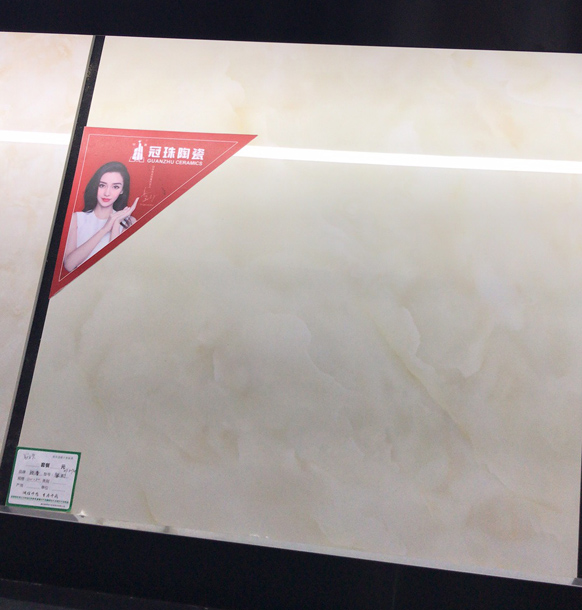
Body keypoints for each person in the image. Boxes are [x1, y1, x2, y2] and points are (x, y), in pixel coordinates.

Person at [64, 161, 138, 272]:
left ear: (122, 190)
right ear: (95, 186)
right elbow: (69, 265)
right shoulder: (77, 218)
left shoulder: (129, 222)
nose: (107, 193)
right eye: (102, 185)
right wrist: (104, 229)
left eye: (115, 187)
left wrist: (116, 224)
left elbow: (115, 267)